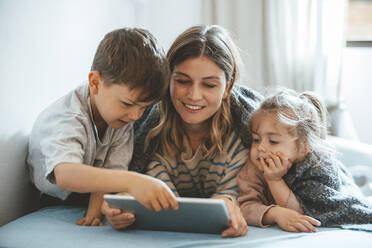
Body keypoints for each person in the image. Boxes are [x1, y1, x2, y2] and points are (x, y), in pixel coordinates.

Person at [102, 25, 263, 237]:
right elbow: (158, 200)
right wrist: (121, 205)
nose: (194, 95)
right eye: (183, 81)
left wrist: (229, 205)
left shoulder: (243, 135)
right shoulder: (150, 131)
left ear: (228, 87)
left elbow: (230, 198)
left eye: (209, 85)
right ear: (168, 78)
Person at [27, 27, 178, 227]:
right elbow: (65, 174)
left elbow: (110, 173)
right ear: (95, 83)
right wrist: (132, 181)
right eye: (127, 103)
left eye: (144, 107)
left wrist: (94, 215)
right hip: (54, 196)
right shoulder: (67, 117)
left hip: (89, 192)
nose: (136, 116)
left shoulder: (118, 119)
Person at [237, 88, 372, 233]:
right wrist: (274, 213)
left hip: (336, 177)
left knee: (349, 184)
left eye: (273, 141)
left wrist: (274, 180)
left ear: (303, 147)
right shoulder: (254, 168)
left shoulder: (316, 165)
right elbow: (246, 207)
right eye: (256, 139)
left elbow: (302, 211)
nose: (261, 147)